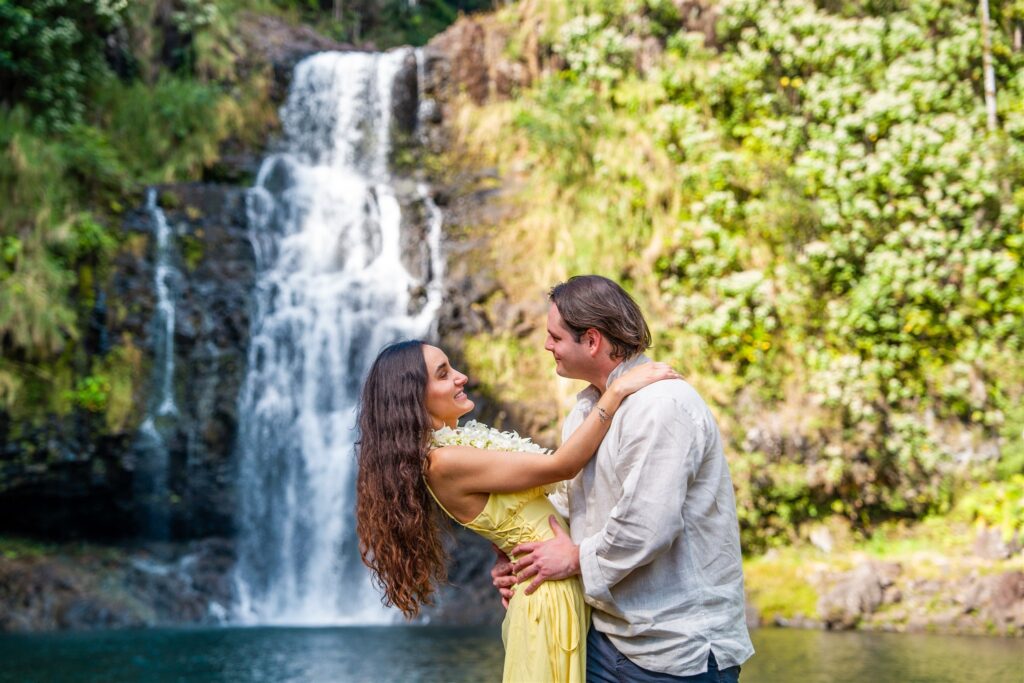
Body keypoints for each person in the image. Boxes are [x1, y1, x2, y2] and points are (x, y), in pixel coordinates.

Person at [355, 339, 680, 683]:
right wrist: (616, 392)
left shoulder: (451, 450)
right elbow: (563, 466)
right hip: (546, 594)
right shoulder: (443, 460)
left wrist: (505, 552)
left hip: (550, 582)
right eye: (444, 374)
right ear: (414, 397)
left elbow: (510, 512)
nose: (461, 376)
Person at [493, 275, 754, 682]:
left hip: (675, 649)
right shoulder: (586, 410)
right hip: (607, 640)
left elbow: (648, 526)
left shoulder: (660, 406)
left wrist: (573, 558)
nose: (547, 346)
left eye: (555, 336)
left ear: (592, 340)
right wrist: (518, 557)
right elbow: (566, 504)